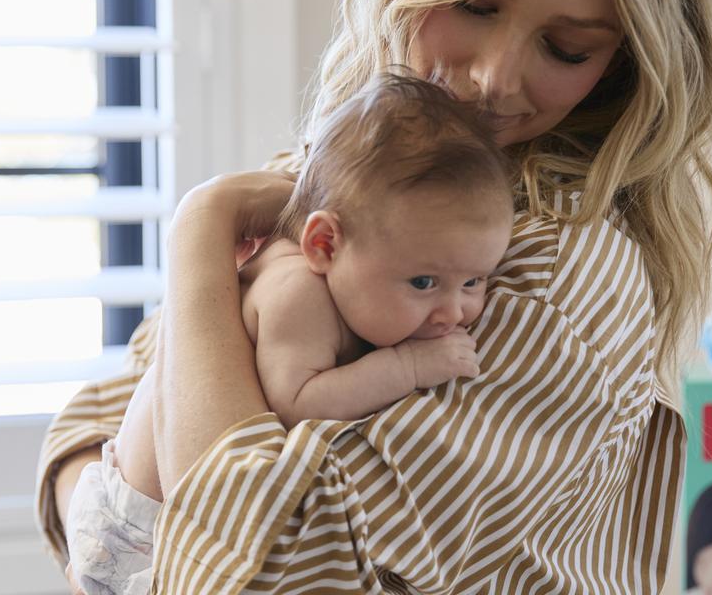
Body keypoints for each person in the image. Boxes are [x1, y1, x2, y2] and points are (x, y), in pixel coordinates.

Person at [36, 0, 712, 591]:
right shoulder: (335, 181)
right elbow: (86, 430)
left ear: (626, 65)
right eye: (475, 3)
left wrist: (200, 231)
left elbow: (249, 575)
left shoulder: (549, 276)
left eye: (565, 48)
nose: (495, 78)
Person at [65, 74, 515, 595]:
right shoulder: (297, 293)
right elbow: (295, 400)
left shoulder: (367, 270)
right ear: (324, 244)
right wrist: (407, 367)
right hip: (136, 532)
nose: (453, 312)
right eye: (423, 282)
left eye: (474, 281)